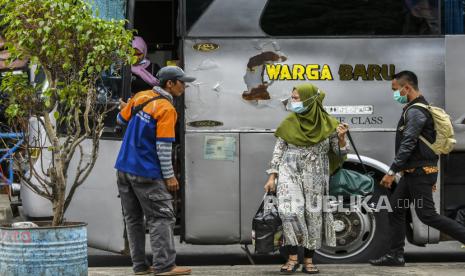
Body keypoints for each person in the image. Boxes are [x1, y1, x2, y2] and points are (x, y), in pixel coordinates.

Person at [369, 70, 465, 266]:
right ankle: (395, 255)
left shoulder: (415, 111)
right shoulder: (412, 109)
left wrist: (391, 171)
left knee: (427, 215)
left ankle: (395, 254)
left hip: (420, 173)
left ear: (407, 88)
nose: (394, 93)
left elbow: (409, 143)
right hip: (413, 174)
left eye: (395, 89)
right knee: (395, 210)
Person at [114, 66, 195, 275]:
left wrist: (128, 108)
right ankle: (165, 266)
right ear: (170, 83)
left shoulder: (141, 97)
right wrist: (169, 177)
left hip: (123, 168)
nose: (184, 86)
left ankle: (140, 266)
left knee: (133, 219)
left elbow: (120, 120)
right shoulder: (166, 109)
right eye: (182, 82)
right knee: (161, 217)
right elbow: (163, 146)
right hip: (146, 172)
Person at [264, 83, 349, 274]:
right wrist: (272, 176)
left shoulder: (330, 124)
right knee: (290, 212)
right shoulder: (288, 123)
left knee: (313, 215)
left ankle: (309, 260)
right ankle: (292, 258)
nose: (292, 101)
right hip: (289, 170)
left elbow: (340, 152)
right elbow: (278, 151)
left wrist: (342, 139)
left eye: (296, 98)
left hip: (316, 173)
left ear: (310, 100)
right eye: (292, 97)